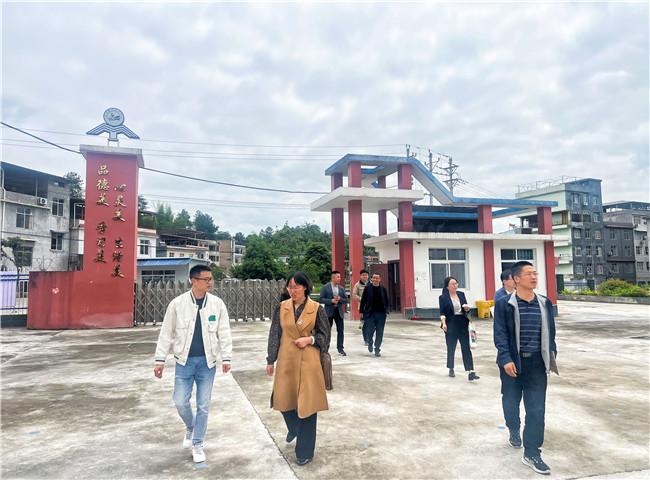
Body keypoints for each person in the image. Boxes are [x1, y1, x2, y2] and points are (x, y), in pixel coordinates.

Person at [153, 265, 232, 464]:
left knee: (204, 405)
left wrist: (226, 358)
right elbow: (166, 333)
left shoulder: (217, 304)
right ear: (194, 281)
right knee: (180, 401)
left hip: (208, 362)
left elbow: (224, 332)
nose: (210, 282)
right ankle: (191, 427)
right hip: (184, 361)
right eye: (206, 279)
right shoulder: (177, 304)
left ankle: (197, 443)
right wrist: (160, 360)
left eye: (211, 279)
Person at [493, 260, 558, 476]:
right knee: (511, 402)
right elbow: (500, 333)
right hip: (512, 363)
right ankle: (513, 429)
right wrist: (505, 358)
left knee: (537, 410)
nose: (534, 277)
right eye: (529, 273)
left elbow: (551, 332)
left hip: (537, 364)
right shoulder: (504, 304)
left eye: (535, 273)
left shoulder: (544, 303)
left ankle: (532, 452)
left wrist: (551, 355)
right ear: (516, 279)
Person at [266, 272, 330, 466]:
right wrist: (271, 359)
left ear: (305, 287)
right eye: (290, 287)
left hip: (309, 361)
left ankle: (304, 452)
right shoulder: (282, 307)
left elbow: (325, 337)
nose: (292, 291)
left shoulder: (316, 308)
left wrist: (309, 339)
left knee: (307, 407)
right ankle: (294, 428)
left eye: (296, 287)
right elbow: (275, 334)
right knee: (283, 400)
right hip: (286, 360)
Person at [439, 276, 479, 381]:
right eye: (452, 284)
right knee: (451, 347)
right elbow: (442, 312)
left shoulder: (461, 294)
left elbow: (466, 309)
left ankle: (471, 371)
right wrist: (444, 324)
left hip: (462, 322)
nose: (455, 285)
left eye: (456, 283)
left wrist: (467, 309)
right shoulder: (443, 297)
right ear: (447, 286)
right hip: (451, 324)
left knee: (466, 347)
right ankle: (451, 367)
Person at [359, 272, 390, 357]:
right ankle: (370, 343)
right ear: (371, 279)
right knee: (370, 331)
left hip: (381, 314)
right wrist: (361, 312)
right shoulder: (367, 289)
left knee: (380, 332)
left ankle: (377, 349)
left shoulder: (383, 289)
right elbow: (363, 301)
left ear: (380, 279)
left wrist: (387, 310)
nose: (375, 279)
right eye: (374, 278)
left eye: (377, 278)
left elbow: (387, 301)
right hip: (370, 314)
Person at [319, 271, 348, 356]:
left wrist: (340, 299)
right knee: (327, 331)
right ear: (333, 278)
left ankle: (340, 349)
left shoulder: (341, 288)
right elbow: (321, 299)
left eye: (340, 277)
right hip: (329, 313)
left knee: (340, 331)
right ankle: (325, 348)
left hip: (339, 312)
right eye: (338, 277)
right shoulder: (325, 287)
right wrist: (331, 301)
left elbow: (346, 300)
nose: (339, 278)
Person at [353, 269, 370, 343]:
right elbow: (354, 295)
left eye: (366, 275)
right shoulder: (357, 285)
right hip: (363, 307)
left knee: (372, 323)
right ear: (360, 276)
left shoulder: (371, 283)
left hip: (372, 307)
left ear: (368, 276)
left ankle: (370, 338)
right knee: (365, 323)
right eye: (363, 275)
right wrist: (362, 299)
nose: (365, 276)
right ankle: (366, 339)